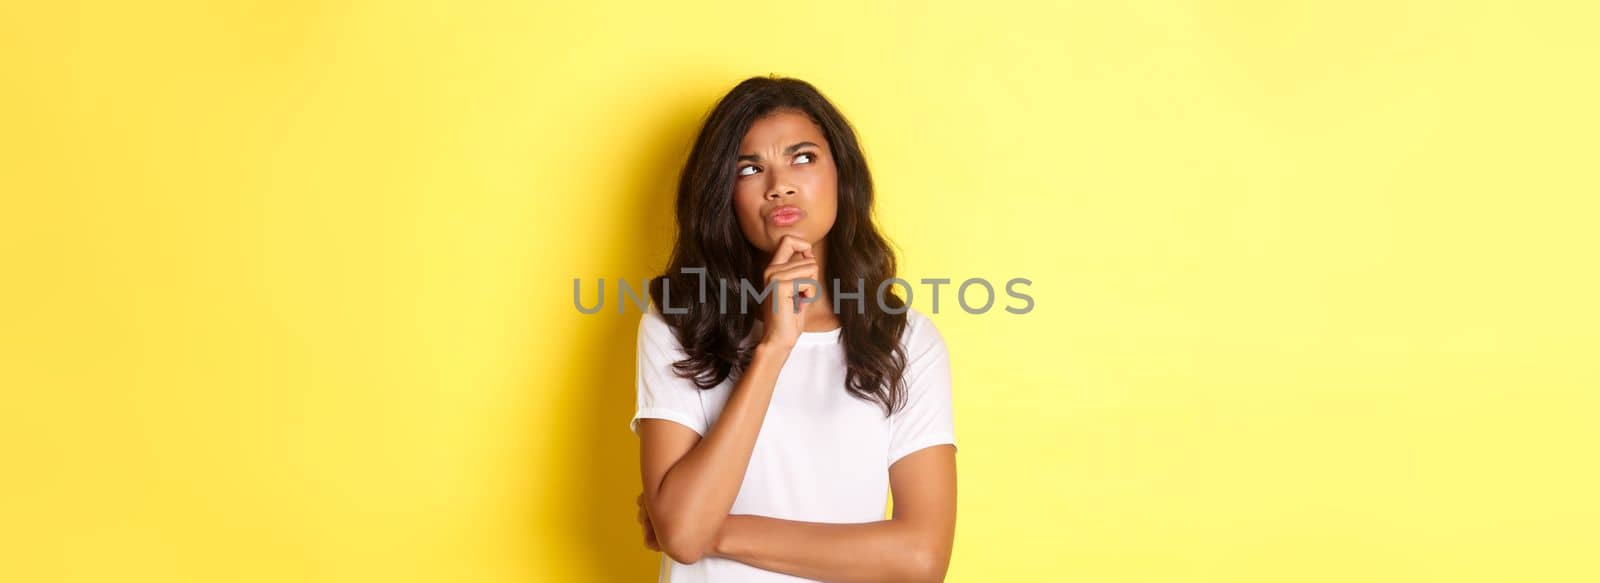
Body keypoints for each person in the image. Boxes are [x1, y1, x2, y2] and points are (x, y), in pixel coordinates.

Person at [631, 75, 957, 582]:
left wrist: (712, 532)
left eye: (802, 158)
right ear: (725, 195)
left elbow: (920, 558)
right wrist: (774, 346)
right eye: (750, 168)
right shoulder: (678, 322)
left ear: (842, 176)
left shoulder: (904, 340)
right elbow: (682, 534)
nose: (779, 183)